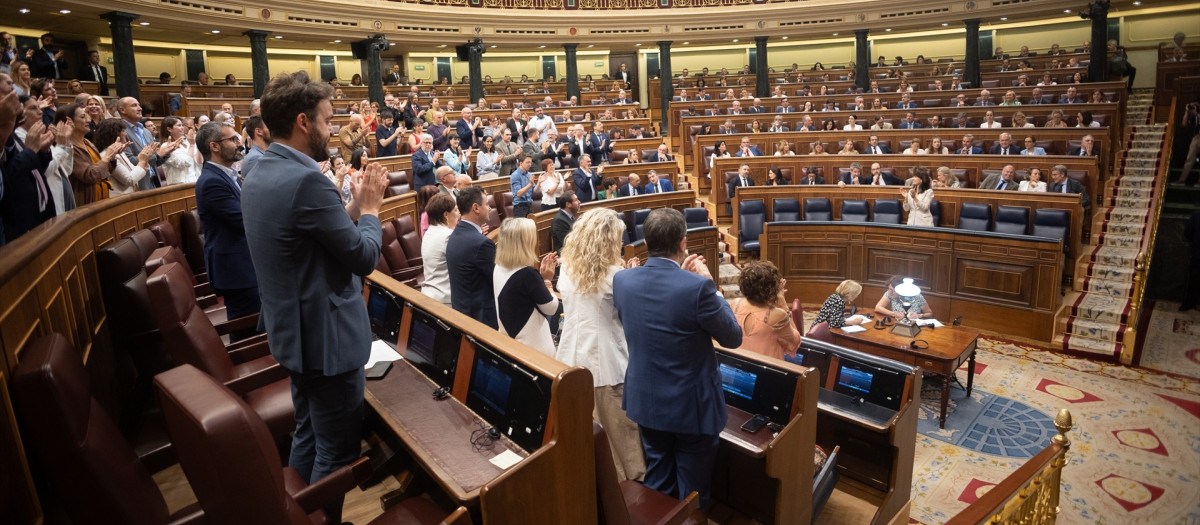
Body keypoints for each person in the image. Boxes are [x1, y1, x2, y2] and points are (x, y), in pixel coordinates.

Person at [241, 71, 388, 524]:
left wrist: (351, 209)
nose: (333, 128)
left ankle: (295, 515)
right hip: (328, 342)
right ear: (304, 122)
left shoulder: (261, 168)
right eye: (328, 120)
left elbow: (311, 234)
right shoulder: (308, 182)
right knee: (337, 451)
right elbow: (363, 256)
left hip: (294, 335)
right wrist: (371, 211)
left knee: (308, 433)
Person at [612, 207, 742, 509]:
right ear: (683, 243)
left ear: (646, 242)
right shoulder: (699, 287)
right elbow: (733, 337)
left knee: (658, 481)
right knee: (693, 492)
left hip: (646, 400)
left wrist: (684, 281)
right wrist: (713, 284)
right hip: (691, 408)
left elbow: (655, 315)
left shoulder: (623, 280)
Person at [555, 207, 645, 481]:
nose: (621, 243)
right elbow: (630, 317)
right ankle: (631, 490)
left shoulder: (567, 268)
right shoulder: (617, 276)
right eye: (618, 238)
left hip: (569, 358)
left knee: (581, 430)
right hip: (607, 362)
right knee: (620, 435)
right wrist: (632, 277)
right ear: (607, 240)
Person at [193, 121, 259, 340]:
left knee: (255, 322)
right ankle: (251, 371)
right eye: (232, 139)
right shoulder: (211, 181)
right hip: (236, 268)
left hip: (242, 263)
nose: (239, 143)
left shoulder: (225, 174)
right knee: (247, 331)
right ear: (214, 146)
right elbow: (244, 219)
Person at [493, 217, 559, 355]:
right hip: (534, 348)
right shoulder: (527, 274)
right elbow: (551, 308)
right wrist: (547, 280)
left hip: (511, 342)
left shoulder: (498, 267)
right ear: (524, 243)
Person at [447, 186, 498, 328]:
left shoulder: (455, 234)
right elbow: (497, 279)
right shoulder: (482, 243)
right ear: (476, 208)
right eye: (486, 204)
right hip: (480, 319)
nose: (489, 208)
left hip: (461, 312)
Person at [730, 261, 801, 360]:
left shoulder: (736, 304)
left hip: (737, 366)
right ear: (772, 288)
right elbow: (795, 342)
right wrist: (782, 302)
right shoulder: (778, 315)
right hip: (767, 371)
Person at [92, 117, 153, 196]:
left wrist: (145, 158)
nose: (126, 133)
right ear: (114, 134)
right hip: (119, 200)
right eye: (123, 131)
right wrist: (141, 161)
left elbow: (134, 171)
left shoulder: (120, 153)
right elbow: (130, 179)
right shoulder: (107, 155)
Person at [419, 194, 458, 307]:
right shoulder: (448, 235)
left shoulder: (430, 232)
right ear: (446, 214)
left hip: (429, 293)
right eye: (455, 210)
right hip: (445, 298)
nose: (458, 215)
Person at [158, 116, 202, 185]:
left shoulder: (187, 142)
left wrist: (197, 142)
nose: (182, 128)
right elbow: (185, 163)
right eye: (179, 125)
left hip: (195, 181)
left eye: (182, 125)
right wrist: (192, 145)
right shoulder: (166, 146)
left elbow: (199, 162)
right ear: (169, 129)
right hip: (179, 186)